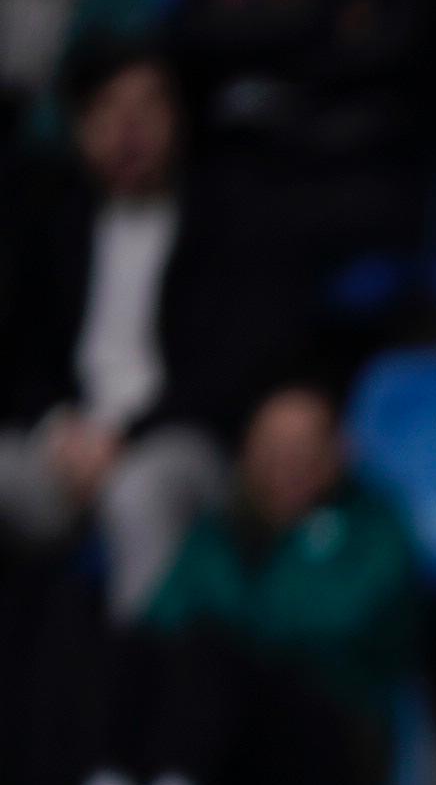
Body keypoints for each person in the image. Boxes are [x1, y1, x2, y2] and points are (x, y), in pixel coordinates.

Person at [22, 384, 417, 785]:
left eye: (301, 448)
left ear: (340, 451)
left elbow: (328, 626)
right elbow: (164, 616)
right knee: (119, 643)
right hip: (231, 749)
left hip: (332, 745)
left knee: (213, 653)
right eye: (270, 449)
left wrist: (233, 625)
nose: (285, 465)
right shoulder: (220, 531)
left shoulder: (373, 527)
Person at [0, 43, 302, 617]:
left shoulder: (229, 221)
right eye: (108, 111)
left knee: (137, 492)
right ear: (80, 128)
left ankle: (141, 694)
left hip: (179, 443)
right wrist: (60, 428)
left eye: (148, 109)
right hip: (68, 445)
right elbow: (24, 358)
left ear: (180, 120)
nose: (128, 130)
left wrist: (125, 436)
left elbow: (229, 370)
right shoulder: (52, 223)